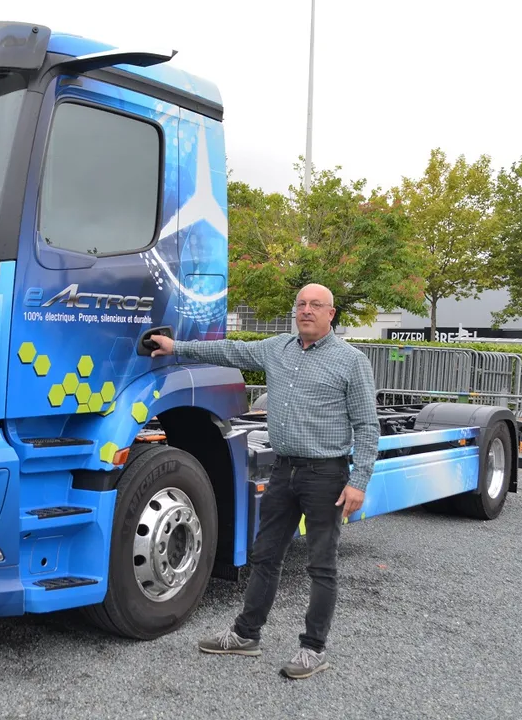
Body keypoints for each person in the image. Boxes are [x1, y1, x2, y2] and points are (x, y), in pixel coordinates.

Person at [148, 283, 379, 679]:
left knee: (321, 565)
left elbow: (367, 426)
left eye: (315, 305)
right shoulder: (277, 348)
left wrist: (359, 480)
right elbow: (228, 350)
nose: (306, 310)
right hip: (283, 469)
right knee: (264, 556)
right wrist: (177, 348)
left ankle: (312, 649)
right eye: (301, 304)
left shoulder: (351, 361)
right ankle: (245, 635)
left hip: (326, 475)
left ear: (331, 314)